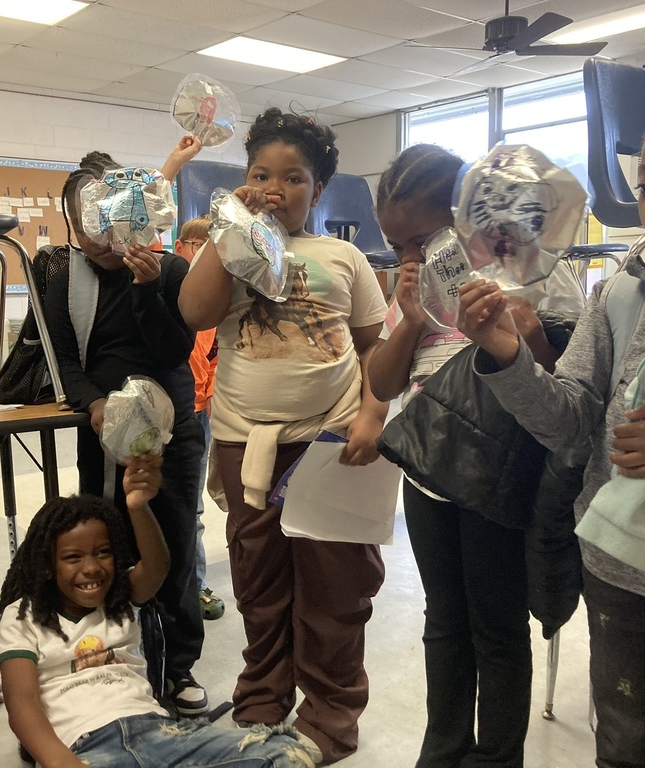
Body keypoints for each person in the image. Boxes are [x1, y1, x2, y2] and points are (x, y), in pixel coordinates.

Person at [455, 90, 645, 767]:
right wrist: (509, 356)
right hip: (623, 577)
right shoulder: (619, 293)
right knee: (627, 746)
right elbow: (574, 424)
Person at [178, 108, 388, 764]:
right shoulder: (231, 248)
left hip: (329, 444)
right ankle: (263, 697)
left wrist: (373, 415)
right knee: (259, 581)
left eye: (293, 178)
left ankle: (330, 716)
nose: (275, 188)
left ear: (317, 190)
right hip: (247, 444)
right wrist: (227, 231)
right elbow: (195, 312)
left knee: (336, 588)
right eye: (260, 175)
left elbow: (374, 349)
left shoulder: (343, 256)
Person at [367, 144, 572, 768]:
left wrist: (529, 336)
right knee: (444, 619)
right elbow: (382, 383)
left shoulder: (530, 268)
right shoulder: (414, 287)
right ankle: (443, 749)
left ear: (464, 216)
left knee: (498, 625)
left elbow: (568, 392)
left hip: (497, 472)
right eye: (395, 247)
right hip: (428, 470)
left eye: (422, 240)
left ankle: (498, 758)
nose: (412, 257)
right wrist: (408, 319)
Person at [0, 455, 319, 768]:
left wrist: (138, 506)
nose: (91, 568)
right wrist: (61, 762)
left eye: (103, 552)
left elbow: (158, 566)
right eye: (73, 557)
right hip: (84, 747)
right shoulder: (21, 617)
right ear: (46, 566)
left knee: (285, 753)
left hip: (160, 732)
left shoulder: (119, 597)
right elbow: (22, 703)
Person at [45, 136, 208, 715]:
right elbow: (63, 359)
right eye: (84, 226)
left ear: (131, 213)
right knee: (109, 544)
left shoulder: (170, 270)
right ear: (72, 226)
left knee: (176, 544)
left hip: (173, 436)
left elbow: (174, 349)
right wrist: (92, 404)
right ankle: (115, 653)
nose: (98, 239)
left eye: (107, 220)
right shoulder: (66, 280)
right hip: (104, 435)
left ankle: (179, 665)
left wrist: (146, 289)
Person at [173, 213, 225, 621]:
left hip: (200, 414)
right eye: (201, 248)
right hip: (169, 413)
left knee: (193, 508)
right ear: (181, 249)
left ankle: (195, 585)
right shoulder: (170, 289)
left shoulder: (220, 300)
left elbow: (215, 359)